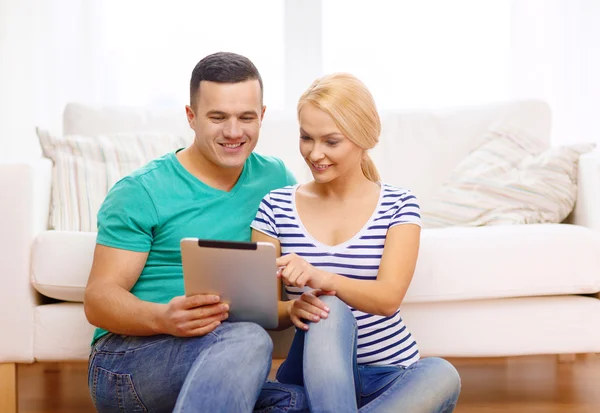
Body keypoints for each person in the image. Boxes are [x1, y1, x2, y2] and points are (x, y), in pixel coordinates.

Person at [83, 52, 309, 413]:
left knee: (297, 402)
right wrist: (163, 318)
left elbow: (317, 236)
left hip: (227, 353)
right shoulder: (142, 190)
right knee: (250, 339)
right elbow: (98, 299)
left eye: (246, 117)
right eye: (218, 117)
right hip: (131, 359)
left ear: (262, 116)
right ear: (191, 117)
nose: (234, 132)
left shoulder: (276, 179)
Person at [251, 73, 461, 412]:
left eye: (331, 142)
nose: (315, 153)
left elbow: (387, 299)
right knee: (328, 309)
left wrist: (321, 278)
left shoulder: (398, 205)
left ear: (365, 138)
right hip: (308, 379)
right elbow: (264, 312)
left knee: (441, 373)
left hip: (391, 378)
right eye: (306, 137)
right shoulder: (275, 206)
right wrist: (293, 308)